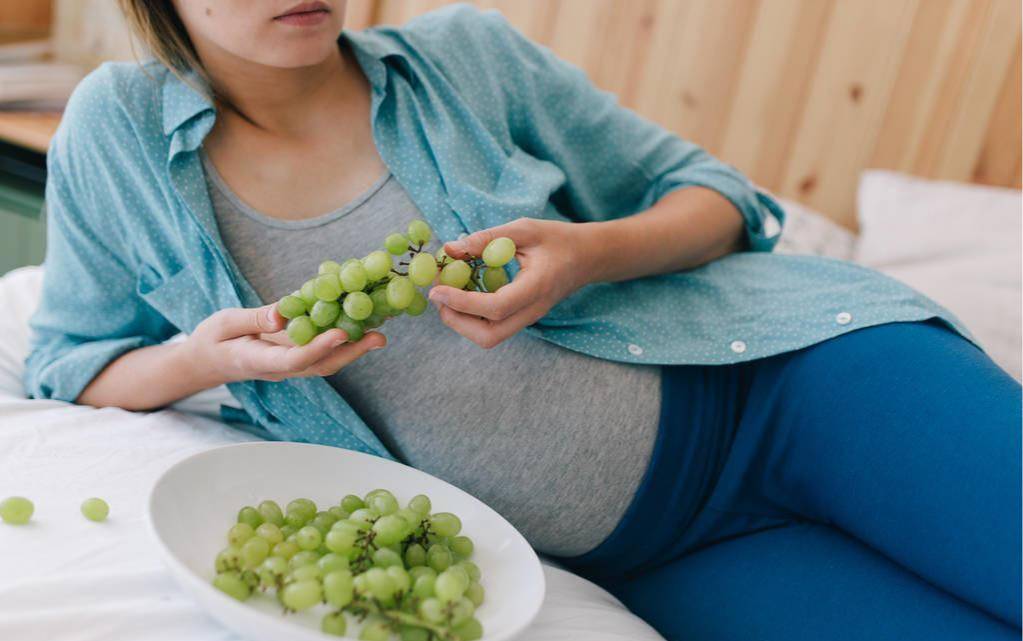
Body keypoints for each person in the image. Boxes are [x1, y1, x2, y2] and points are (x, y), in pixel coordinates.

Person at [25, 2, 1020, 639]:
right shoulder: (117, 134)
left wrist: (588, 251)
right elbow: (69, 359)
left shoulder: (469, 57)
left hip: (796, 383)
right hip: (662, 558)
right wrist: (201, 359)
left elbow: (718, 197)